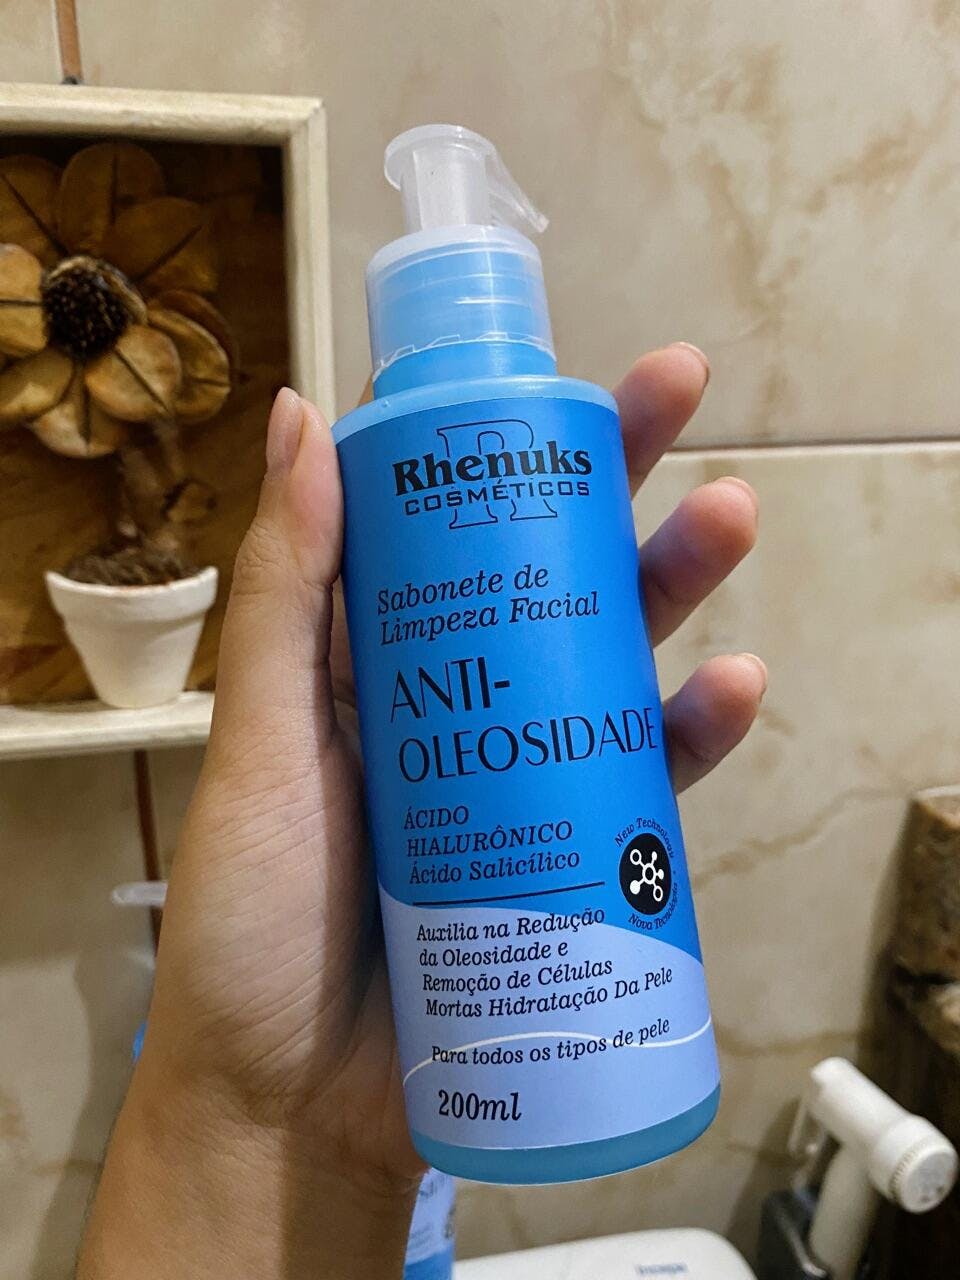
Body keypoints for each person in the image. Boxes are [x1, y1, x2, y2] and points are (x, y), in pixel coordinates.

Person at [76, 344, 765, 1278]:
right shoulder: (378, 453)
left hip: (621, 990)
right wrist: (253, 1114)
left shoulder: (558, 422)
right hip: (450, 1004)